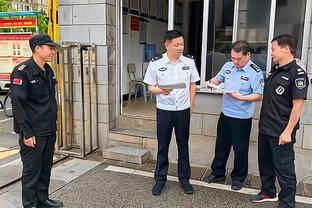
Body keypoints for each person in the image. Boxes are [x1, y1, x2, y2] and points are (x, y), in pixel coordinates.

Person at [251, 34, 309, 208]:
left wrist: (288, 131)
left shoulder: (297, 73)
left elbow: (298, 106)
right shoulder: (275, 69)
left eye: (273, 49)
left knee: (284, 170)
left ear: (286, 49)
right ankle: (268, 191)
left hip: (281, 131)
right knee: (266, 164)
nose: (271, 53)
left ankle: (287, 203)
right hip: (266, 128)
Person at [143, 30, 200, 196]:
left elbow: (192, 84)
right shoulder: (156, 63)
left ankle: (184, 179)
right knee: (163, 146)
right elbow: (150, 86)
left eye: (182, 44)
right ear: (167, 45)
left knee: (183, 146)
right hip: (164, 111)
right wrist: (160, 90)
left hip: (182, 111)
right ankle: (160, 180)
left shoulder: (188, 62)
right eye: (176, 45)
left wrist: (191, 105)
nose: (180, 47)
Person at [11, 34, 63, 208]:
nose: (53, 51)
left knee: (45, 167)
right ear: (38, 49)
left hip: (48, 129)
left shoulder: (48, 71)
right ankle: (31, 204)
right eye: (50, 48)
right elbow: (18, 104)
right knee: (31, 171)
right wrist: (26, 132)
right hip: (33, 132)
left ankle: (43, 199)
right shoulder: (22, 71)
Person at [204, 41, 264, 191]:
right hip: (225, 114)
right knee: (221, 146)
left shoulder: (255, 72)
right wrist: (212, 83)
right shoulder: (228, 66)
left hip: (242, 117)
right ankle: (218, 173)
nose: (235, 61)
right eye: (233, 58)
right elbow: (218, 79)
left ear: (248, 55)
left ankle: (238, 178)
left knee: (240, 149)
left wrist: (240, 97)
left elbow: (259, 95)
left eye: (238, 59)